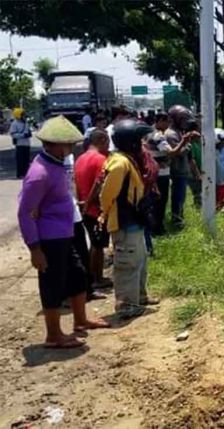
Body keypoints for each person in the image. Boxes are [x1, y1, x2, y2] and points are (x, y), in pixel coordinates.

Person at [17, 115, 110, 349]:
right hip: (49, 238)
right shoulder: (40, 173)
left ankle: (80, 320)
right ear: (55, 144)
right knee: (52, 284)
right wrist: (35, 249)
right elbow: (24, 213)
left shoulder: (56, 164)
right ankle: (53, 335)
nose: (71, 147)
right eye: (68, 143)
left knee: (78, 274)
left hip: (65, 233)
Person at [100, 119, 155, 319]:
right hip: (124, 221)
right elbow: (107, 195)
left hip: (134, 219)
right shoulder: (120, 163)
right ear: (131, 142)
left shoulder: (128, 160)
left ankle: (139, 297)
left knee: (139, 260)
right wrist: (105, 212)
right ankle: (126, 305)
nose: (142, 144)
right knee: (127, 263)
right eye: (139, 141)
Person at [64, 149, 106, 302]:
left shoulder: (72, 157)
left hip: (76, 212)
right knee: (93, 246)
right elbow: (98, 182)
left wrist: (79, 202)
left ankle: (87, 289)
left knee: (82, 254)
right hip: (65, 218)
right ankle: (70, 294)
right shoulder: (45, 167)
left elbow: (72, 184)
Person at [75, 129, 113, 290]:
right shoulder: (100, 159)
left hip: (84, 207)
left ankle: (94, 277)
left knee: (94, 243)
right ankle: (97, 279)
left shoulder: (80, 158)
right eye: (107, 142)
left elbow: (76, 183)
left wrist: (82, 203)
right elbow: (99, 184)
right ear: (102, 140)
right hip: (96, 209)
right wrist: (89, 203)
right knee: (98, 246)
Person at [147, 113, 189, 234]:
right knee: (160, 201)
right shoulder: (157, 136)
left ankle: (155, 226)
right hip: (160, 174)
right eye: (167, 122)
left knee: (154, 201)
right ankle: (158, 228)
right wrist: (184, 141)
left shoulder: (148, 132)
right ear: (160, 121)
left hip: (154, 172)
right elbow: (171, 152)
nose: (168, 125)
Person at [165, 105, 199, 228]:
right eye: (183, 119)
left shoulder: (179, 132)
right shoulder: (171, 134)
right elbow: (178, 152)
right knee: (178, 197)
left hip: (183, 170)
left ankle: (179, 218)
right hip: (177, 170)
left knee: (181, 197)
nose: (185, 123)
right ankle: (177, 221)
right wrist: (188, 142)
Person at [10, 107, 32, 179]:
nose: (24, 116)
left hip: (27, 144)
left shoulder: (26, 122)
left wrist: (29, 133)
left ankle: (26, 173)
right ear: (18, 115)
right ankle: (20, 174)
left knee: (27, 160)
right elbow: (13, 134)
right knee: (20, 160)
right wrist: (23, 135)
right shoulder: (14, 124)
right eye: (23, 114)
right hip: (19, 144)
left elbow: (28, 131)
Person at [185, 119, 203, 208]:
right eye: (198, 128)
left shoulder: (197, 142)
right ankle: (198, 210)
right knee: (198, 193)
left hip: (199, 171)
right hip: (193, 173)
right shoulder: (189, 144)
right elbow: (191, 160)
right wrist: (197, 174)